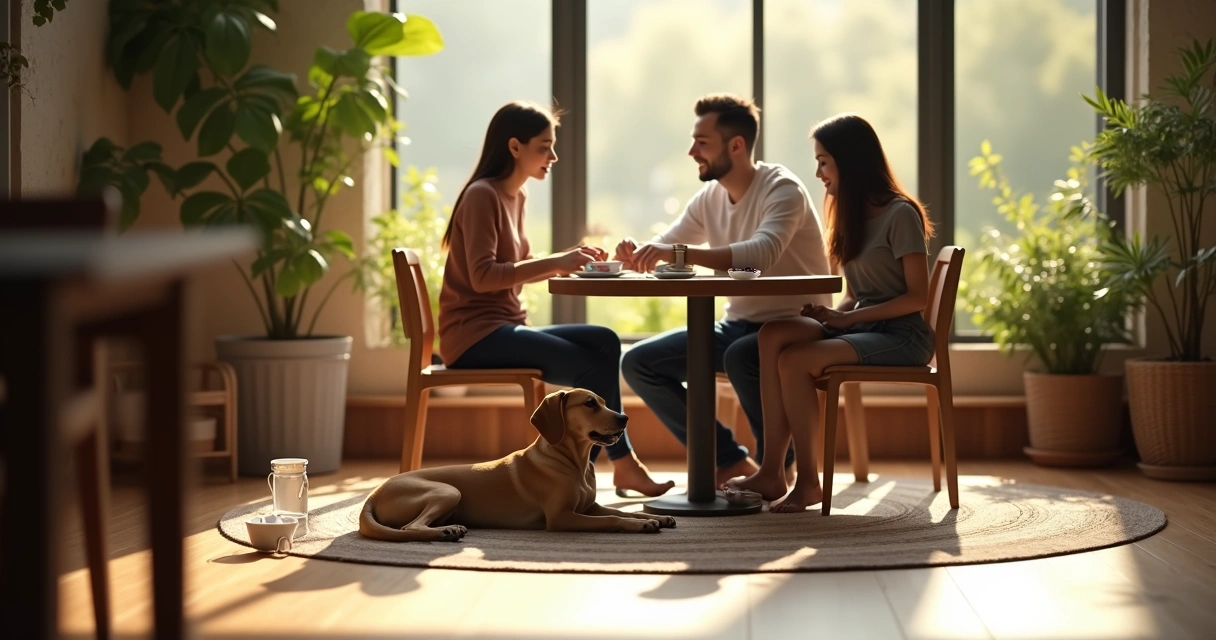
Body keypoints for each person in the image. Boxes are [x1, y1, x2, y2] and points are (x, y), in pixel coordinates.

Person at [437, 101, 673, 498]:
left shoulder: (517, 196)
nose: (554, 156)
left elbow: (517, 264)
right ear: (515, 147)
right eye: (545, 147)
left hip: (503, 327)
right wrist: (556, 262)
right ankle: (592, 472)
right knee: (586, 364)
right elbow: (482, 278)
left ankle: (614, 466)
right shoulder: (483, 196)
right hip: (474, 335)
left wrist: (573, 262)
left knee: (605, 340)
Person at [616, 94, 832, 488]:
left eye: (702, 142)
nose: (691, 151)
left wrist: (675, 252)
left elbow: (759, 257)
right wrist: (638, 253)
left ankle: (776, 467)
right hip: (738, 325)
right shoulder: (710, 198)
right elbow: (670, 245)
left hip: (797, 325)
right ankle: (728, 461)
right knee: (637, 363)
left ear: (735, 145)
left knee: (740, 355)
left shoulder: (781, 189)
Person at [728, 113, 937, 512]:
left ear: (850, 160)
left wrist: (848, 320)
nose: (819, 172)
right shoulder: (847, 212)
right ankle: (772, 469)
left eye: (824, 161)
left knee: (796, 359)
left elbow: (917, 298)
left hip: (902, 336)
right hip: (864, 327)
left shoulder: (900, 214)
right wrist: (830, 315)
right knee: (774, 333)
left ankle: (808, 482)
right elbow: (857, 294)